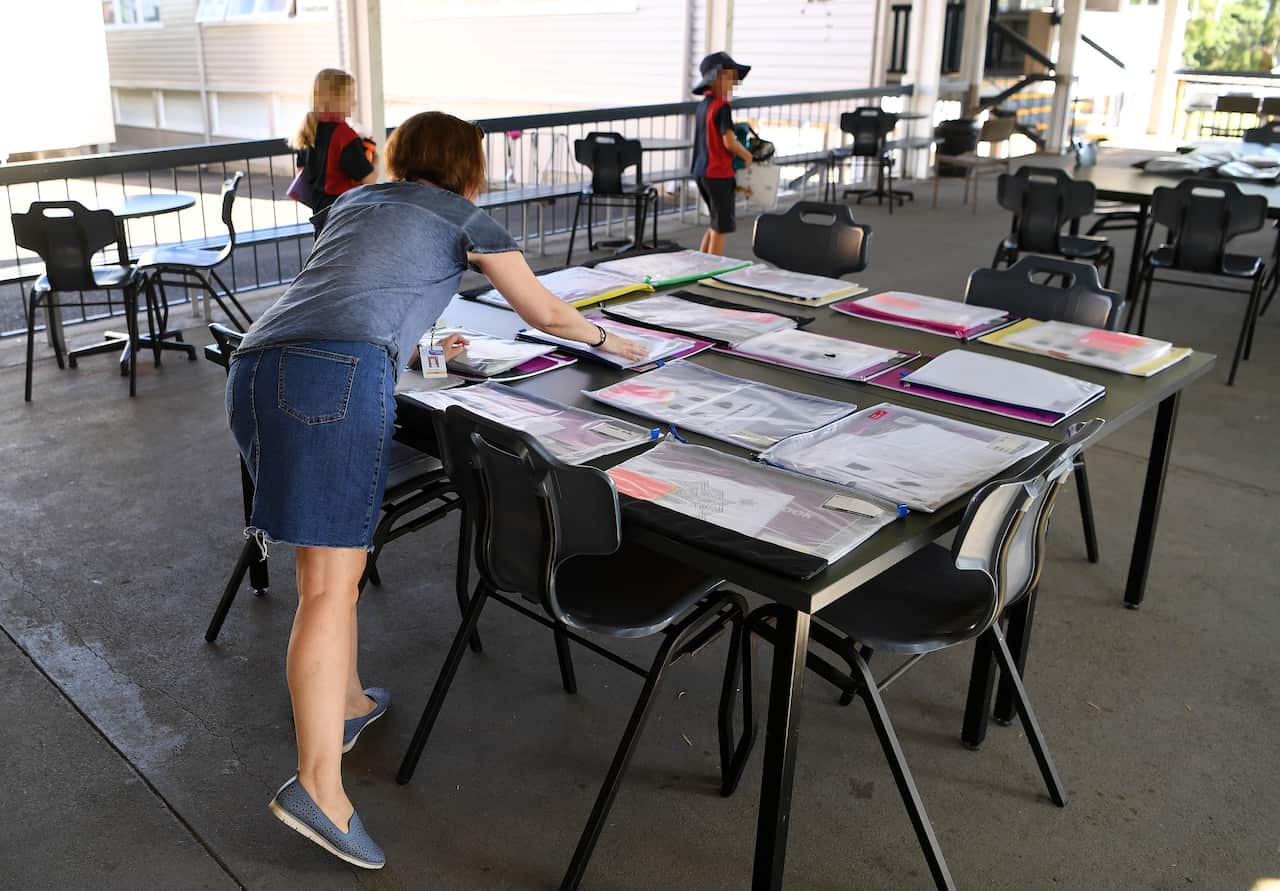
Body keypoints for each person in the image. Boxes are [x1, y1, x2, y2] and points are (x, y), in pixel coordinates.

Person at [227, 111, 647, 870]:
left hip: (256, 368)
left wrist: (418, 342)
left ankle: (349, 702)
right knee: (328, 584)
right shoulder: (462, 213)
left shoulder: (356, 202)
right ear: (469, 169)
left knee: (325, 571)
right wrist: (617, 345)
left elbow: (354, 283)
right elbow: (543, 310)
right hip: (333, 376)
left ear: (398, 157)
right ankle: (318, 786)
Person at [289, 68, 379, 235]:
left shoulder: (309, 129)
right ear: (333, 98)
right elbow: (368, 178)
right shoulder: (344, 135)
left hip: (319, 209)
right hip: (345, 208)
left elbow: (301, 171)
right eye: (350, 94)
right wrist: (375, 161)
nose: (354, 101)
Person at [690, 52, 755, 256]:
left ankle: (701, 264)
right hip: (718, 173)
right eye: (729, 77)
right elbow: (728, 142)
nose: (733, 82)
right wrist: (747, 156)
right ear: (715, 78)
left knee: (714, 222)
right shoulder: (722, 106)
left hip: (701, 172)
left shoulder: (703, 106)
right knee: (721, 227)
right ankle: (713, 271)